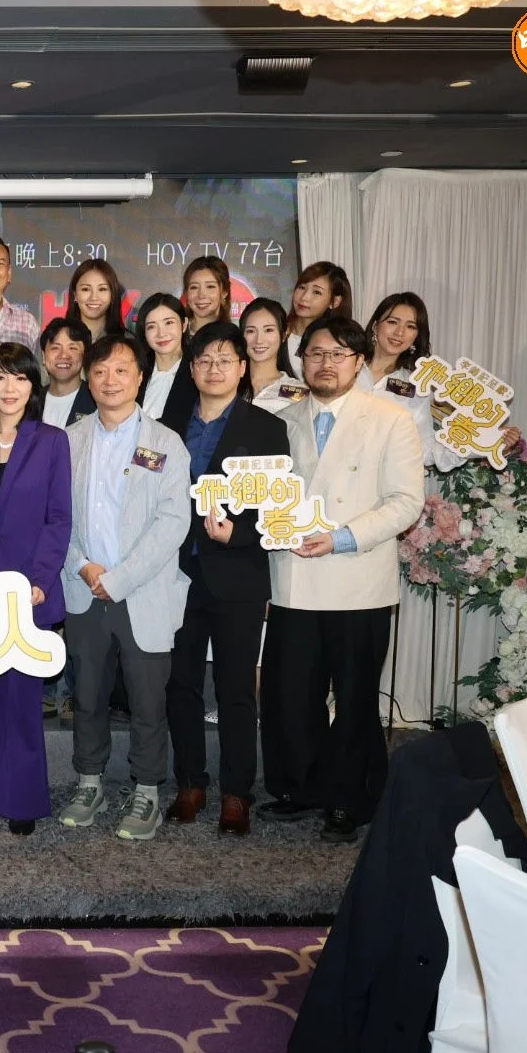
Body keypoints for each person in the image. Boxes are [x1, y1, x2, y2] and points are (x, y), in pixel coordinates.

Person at [260, 315, 424, 843]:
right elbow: (261, 495)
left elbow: (406, 501)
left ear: (358, 361)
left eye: (337, 354)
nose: (325, 363)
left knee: (354, 698)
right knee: (293, 693)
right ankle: (300, 787)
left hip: (357, 579)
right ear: (301, 361)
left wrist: (343, 537)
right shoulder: (279, 420)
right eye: (315, 354)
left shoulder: (391, 419)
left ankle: (349, 798)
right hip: (292, 579)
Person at [57, 333, 190, 842]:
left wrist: (121, 577)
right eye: (100, 371)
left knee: (147, 701)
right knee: (88, 696)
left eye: (121, 370)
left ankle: (147, 789)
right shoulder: (69, 440)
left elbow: (173, 521)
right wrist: (84, 566)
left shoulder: (166, 442)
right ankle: (89, 782)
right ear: (88, 379)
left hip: (143, 591)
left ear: (139, 377)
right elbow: (56, 516)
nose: (110, 380)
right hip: (84, 589)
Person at [158, 322, 289, 837]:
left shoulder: (266, 428)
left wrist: (240, 532)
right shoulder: (166, 426)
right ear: (192, 369)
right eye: (204, 360)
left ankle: (237, 794)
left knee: (236, 690)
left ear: (242, 368)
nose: (214, 369)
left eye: (225, 360)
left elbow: (279, 507)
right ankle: (190, 783)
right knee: (181, 685)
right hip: (175, 573)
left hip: (237, 576)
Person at [0, 343, 72, 835]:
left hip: (29, 588)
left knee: (23, 700)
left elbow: (59, 518)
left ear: (33, 387)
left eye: (20, 378)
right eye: (0, 377)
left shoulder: (52, 441)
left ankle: (23, 800)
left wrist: (40, 580)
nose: (10, 388)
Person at [361, 292, 520, 469]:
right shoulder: (345, 368)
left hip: (383, 481)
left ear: (416, 336)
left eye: (411, 326)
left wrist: (483, 440)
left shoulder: (417, 387)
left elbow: (426, 451)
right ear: (375, 325)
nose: (400, 332)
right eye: (392, 322)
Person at [135, 293, 198, 426]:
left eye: (168, 323)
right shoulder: (135, 371)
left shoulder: (199, 370)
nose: (161, 333)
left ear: (184, 325)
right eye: (151, 326)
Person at [241, 297, 309, 413]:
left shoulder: (298, 391)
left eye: (268, 330)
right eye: (251, 331)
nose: (259, 340)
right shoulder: (228, 385)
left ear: (283, 335)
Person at [284, 261, 351, 376]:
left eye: (317, 292)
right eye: (302, 287)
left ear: (335, 301)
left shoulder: (341, 344)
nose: (304, 297)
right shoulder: (276, 333)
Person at [38, 317, 95, 430]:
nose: (64, 355)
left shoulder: (97, 401)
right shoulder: (29, 401)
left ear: (85, 356)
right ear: (43, 356)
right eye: (55, 348)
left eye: (72, 348)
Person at [68, 259, 126, 341]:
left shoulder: (126, 341)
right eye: (85, 289)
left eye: (102, 289)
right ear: (75, 294)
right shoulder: (59, 338)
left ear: (112, 295)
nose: (94, 297)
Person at [181, 255, 233, 333]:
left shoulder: (234, 336)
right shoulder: (177, 334)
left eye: (210, 286)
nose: (201, 295)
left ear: (224, 292)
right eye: (194, 287)